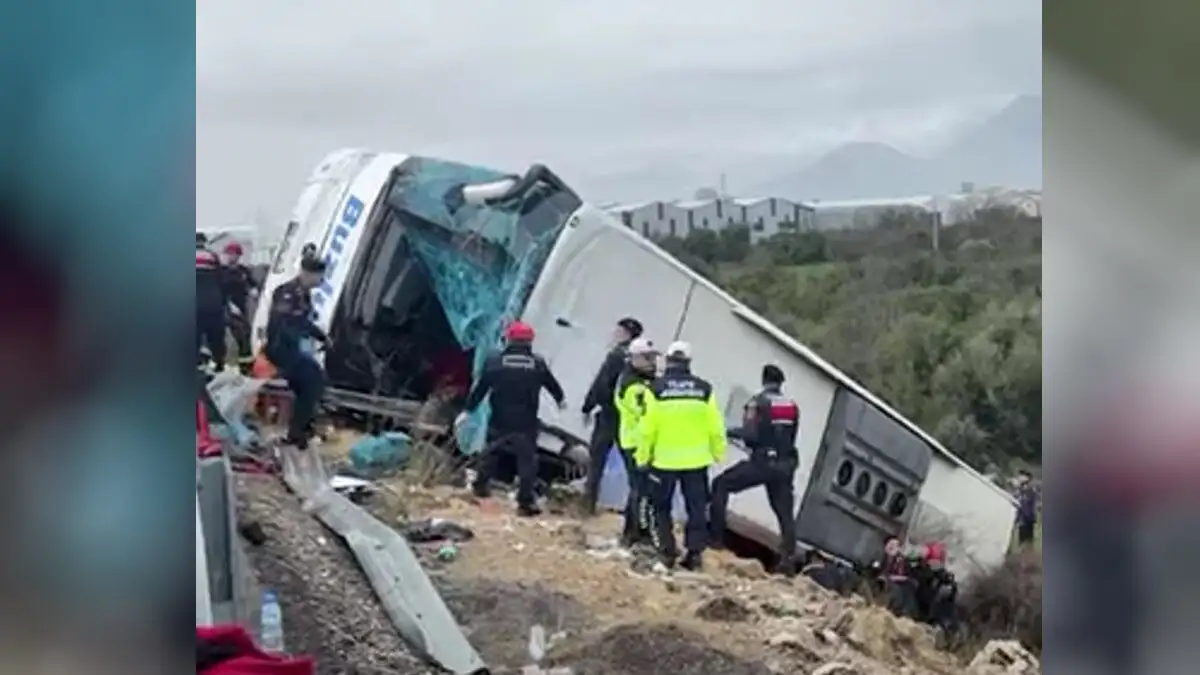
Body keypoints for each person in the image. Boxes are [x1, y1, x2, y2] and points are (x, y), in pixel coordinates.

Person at [457, 320, 565, 517]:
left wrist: (468, 409)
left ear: (508, 339)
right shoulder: (537, 363)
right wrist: (560, 401)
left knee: (490, 453)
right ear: (530, 342)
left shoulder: (494, 361)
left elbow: (481, 389)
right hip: (526, 420)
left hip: (499, 417)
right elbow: (553, 387)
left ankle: (480, 486)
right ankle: (525, 502)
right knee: (527, 461)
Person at [635, 341, 726, 571]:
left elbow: (648, 429)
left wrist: (642, 457)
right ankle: (694, 554)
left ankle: (666, 552)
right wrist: (718, 453)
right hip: (697, 461)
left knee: (659, 507)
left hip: (664, 461)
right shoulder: (705, 390)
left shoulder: (656, 389)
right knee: (696, 508)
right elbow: (715, 427)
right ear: (689, 363)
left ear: (667, 360)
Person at [710, 364, 801, 573]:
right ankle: (787, 560)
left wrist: (728, 432)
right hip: (785, 465)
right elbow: (791, 436)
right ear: (780, 383)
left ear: (764, 380)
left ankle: (714, 539)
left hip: (762, 462)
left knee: (721, 485)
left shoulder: (758, 402)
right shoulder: (792, 406)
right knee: (784, 513)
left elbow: (751, 434)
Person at [264, 256, 329, 450]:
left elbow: (304, 322)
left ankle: (301, 428)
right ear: (307, 273)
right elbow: (282, 324)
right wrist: (299, 346)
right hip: (280, 349)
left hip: (293, 349)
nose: (320, 281)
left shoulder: (304, 294)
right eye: (319, 277)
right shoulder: (286, 293)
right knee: (311, 380)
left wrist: (322, 337)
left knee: (314, 380)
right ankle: (297, 432)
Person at [580, 316, 643, 515]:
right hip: (630, 419)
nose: (614, 334)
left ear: (625, 333)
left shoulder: (616, 355)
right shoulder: (641, 358)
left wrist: (588, 406)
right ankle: (635, 510)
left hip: (609, 415)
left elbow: (602, 382)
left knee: (596, 459)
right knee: (633, 466)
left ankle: (587, 504)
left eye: (618, 331)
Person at [613, 337, 659, 547]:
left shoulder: (642, 381)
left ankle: (631, 531)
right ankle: (636, 532)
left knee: (639, 488)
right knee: (641, 488)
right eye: (647, 358)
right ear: (634, 358)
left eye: (653, 358)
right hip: (635, 442)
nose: (652, 362)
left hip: (640, 441)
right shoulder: (634, 386)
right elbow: (646, 413)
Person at [220, 241, 258, 373]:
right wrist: (229, 305)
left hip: (241, 307)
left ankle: (246, 367)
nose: (231, 257)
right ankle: (220, 364)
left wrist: (253, 290)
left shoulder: (243, 271)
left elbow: (252, 284)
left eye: (234, 254)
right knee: (237, 333)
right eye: (229, 254)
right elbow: (220, 290)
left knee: (245, 337)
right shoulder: (221, 272)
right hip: (227, 307)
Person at [196, 233, 228, 369]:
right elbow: (221, 281)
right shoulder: (213, 256)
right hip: (214, 305)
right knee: (216, 339)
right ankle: (219, 366)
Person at [1013, 469, 1039, 547]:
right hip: (1023, 518)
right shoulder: (1020, 489)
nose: (1019, 478)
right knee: (1022, 541)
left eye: (1021, 476)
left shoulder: (1030, 490)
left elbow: (1027, 504)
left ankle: (1028, 555)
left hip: (1027, 518)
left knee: (1027, 541)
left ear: (1027, 478)